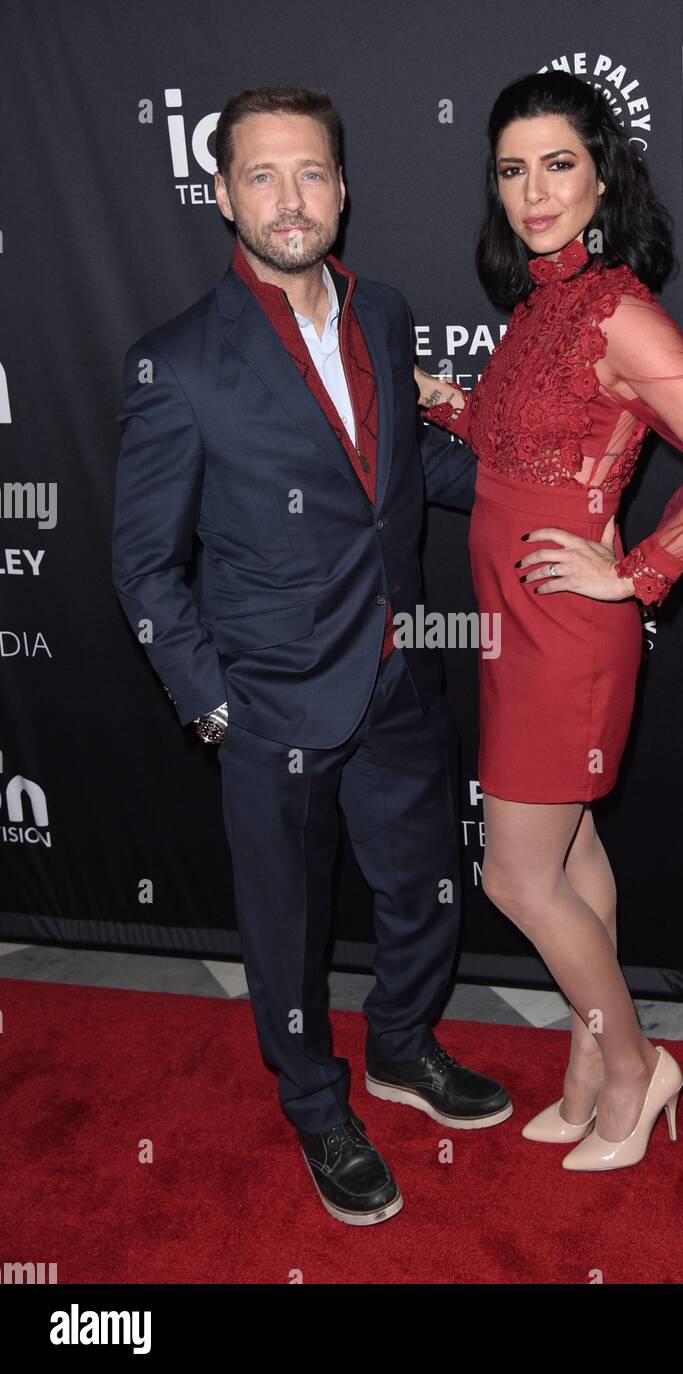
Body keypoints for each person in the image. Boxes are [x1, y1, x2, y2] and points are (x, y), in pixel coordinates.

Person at [111, 84, 511, 1228]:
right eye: (263, 176)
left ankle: (399, 1047)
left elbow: (399, 478)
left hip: (397, 674)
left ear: (343, 186)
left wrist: (542, 493)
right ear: (224, 193)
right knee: (284, 931)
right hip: (270, 702)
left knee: (421, 885)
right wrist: (215, 710)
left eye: (313, 173)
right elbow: (143, 567)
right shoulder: (177, 364)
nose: (291, 200)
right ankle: (316, 1104)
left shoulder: (380, 312)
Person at [416, 71, 683, 1172]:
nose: (533, 192)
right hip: (511, 619)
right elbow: (518, 439)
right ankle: (586, 1070)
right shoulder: (540, 303)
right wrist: (445, 398)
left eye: (557, 165)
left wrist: (642, 567)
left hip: (566, 633)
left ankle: (633, 1066)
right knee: (571, 857)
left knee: (512, 876)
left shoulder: (618, 308)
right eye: (511, 170)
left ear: (603, 173)